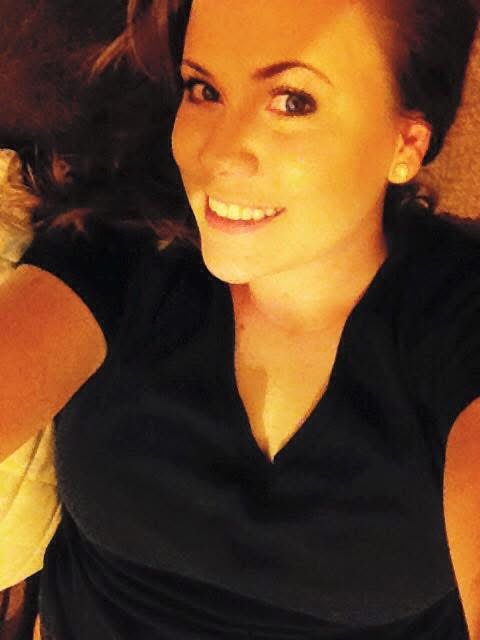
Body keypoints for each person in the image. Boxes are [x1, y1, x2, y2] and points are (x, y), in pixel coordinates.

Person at [1, 0, 480, 638]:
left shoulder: (460, 312)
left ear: (406, 143)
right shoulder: (123, 248)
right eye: (204, 90)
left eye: (293, 101)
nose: (219, 156)